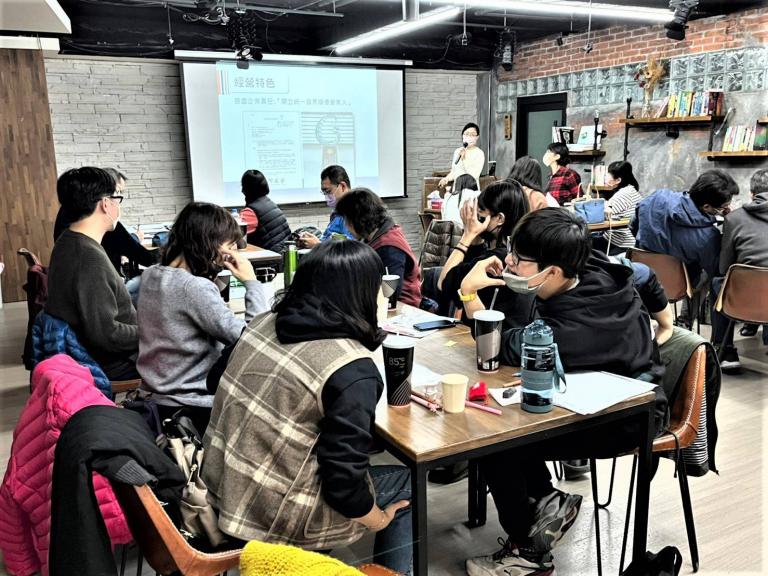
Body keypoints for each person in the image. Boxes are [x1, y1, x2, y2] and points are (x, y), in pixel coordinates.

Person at [458, 208, 668, 576]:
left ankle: (527, 554)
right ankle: (548, 500)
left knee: (492, 441)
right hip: (607, 392)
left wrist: (468, 291)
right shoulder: (596, 265)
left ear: (553, 271)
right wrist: (666, 321)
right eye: (512, 250)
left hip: (626, 418)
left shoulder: (572, 330)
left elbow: (499, 346)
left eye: (519, 259)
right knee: (505, 420)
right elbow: (645, 275)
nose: (509, 262)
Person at [202, 241, 412, 574]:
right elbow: (344, 489)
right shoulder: (351, 369)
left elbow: (213, 381)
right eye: (378, 287)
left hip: (219, 487)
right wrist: (379, 519)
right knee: (407, 484)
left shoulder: (264, 322)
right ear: (361, 294)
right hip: (274, 519)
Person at [137, 202, 269, 433]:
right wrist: (251, 281)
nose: (232, 252)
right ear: (210, 242)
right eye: (229, 245)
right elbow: (252, 338)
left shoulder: (151, 274)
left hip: (156, 395)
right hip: (192, 406)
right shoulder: (193, 287)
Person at [46, 167, 140, 380]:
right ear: (106, 203)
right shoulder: (88, 258)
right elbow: (108, 335)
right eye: (117, 198)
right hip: (113, 361)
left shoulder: (67, 241)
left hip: (91, 354)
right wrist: (153, 332)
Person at [632, 169, 738, 330]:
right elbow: (716, 269)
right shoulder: (708, 237)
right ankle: (686, 321)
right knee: (711, 277)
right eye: (724, 207)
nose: (727, 209)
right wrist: (730, 220)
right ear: (707, 206)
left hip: (643, 275)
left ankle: (658, 317)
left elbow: (634, 226)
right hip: (678, 284)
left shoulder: (657, 197)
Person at [438, 180, 533, 330]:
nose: (475, 218)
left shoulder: (496, 259)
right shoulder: (518, 253)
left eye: (480, 213)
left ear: (500, 219)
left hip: (486, 338)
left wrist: (468, 235)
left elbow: (443, 284)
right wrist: (476, 238)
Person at [711, 168, 768, 370]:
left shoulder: (734, 218)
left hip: (744, 299)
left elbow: (724, 267)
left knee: (718, 282)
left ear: (752, 194)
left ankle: (726, 351)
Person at [53, 168, 157, 277]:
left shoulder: (67, 219)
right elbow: (145, 257)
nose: (118, 201)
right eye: (117, 192)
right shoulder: (91, 257)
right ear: (104, 201)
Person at [335, 188, 422, 307]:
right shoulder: (373, 236)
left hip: (402, 308)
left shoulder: (389, 248)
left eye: (347, 220)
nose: (346, 226)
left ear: (358, 219)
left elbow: (389, 294)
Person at [592, 160, 643, 255]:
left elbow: (603, 213)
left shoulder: (624, 194)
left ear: (618, 180)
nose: (605, 178)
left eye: (607, 175)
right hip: (617, 238)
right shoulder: (629, 189)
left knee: (582, 243)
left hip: (621, 242)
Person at [298, 165, 355, 248]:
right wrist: (312, 240)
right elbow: (330, 238)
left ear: (343, 186)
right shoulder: (337, 212)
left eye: (328, 191)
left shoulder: (354, 212)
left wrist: (318, 245)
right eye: (324, 192)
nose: (326, 196)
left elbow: (350, 247)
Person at [238, 169, 291, 252]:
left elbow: (232, 236)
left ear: (245, 189)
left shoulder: (250, 212)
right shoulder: (270, 203)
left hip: (269, 257)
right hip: (282, 253)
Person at [438, 122, 486, 189]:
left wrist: (464, 159)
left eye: (472, 134)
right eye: (467, 134)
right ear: (463, 135)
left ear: (477, 137)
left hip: (471, 190)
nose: (469, 136)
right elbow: (455, 171)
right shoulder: (458, 151)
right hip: (457, 189)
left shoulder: (479, 153)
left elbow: (473, 175)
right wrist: (446, 179)